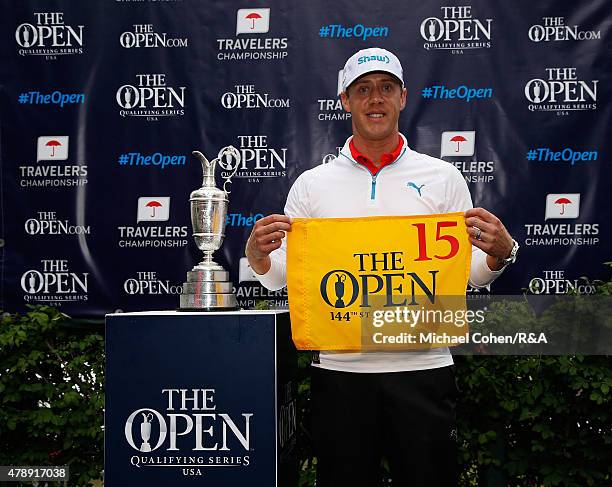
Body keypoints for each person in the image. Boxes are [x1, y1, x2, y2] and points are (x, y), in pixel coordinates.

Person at [246, 47, 519, 486]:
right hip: (340, 373)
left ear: (403, 98)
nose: (376, 98)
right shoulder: (312, 186)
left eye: (386, 88)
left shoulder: (443, 177)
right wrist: (258, 258)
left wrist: (500, 256)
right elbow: (284, 277)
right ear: (345, 101)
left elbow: (465, 274)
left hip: (425, 369)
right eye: (364, 89)